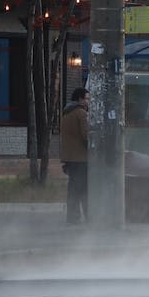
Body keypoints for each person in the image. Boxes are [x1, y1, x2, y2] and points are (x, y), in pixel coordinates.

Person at [60, 87, 90, 224]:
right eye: (86, 98)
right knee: (84, 189)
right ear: (79, 99)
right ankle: (90, 217)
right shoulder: (81, 113)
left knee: (73, 189)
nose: (88, 101)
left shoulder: (66, 112)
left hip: (69, 158)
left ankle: (72, 217)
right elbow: (86, 136)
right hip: (81, 158)